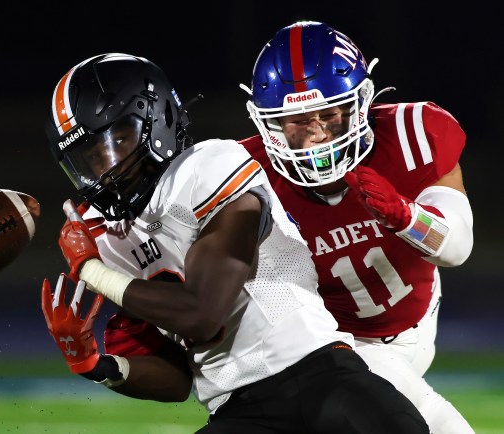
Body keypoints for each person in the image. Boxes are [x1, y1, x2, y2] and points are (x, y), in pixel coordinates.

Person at [40, 52, 430, 433]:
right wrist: (98, 366)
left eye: (117, 141)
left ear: (157, 119)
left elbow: (202, 313)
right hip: (240, 410)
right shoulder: (108, 238)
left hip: (321, 375)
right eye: (90, 157)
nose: (105, 167)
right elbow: (176, 380)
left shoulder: (209, 166)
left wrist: (90, 270)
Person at [239, 21, 474, 434]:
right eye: (295, 121)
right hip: (327, 342)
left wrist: (404, 215)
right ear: (268, 124)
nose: (315, 137)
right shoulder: (245, 175)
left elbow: (456, 246)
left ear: (359, 103)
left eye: (328, 115)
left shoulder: (412, 135)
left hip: (418, 321)